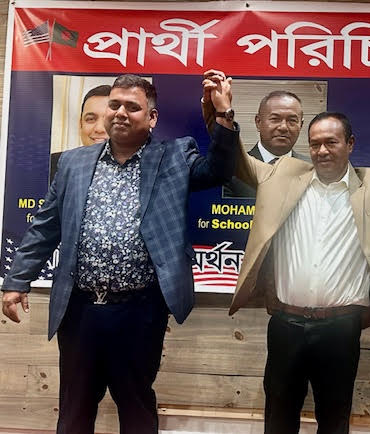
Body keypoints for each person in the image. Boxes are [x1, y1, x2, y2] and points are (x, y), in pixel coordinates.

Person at [202, 69, 370, 434]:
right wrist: (220, 112)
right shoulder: (280, 176)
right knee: (278, 418)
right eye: (315, 144)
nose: (322, 151)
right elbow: (233, 159)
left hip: (341, 328)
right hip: (286, 324)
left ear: (350, 144)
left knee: (334, 420)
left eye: (331, 142)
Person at [1, 74, 238, 433]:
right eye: (114, 104)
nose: (120, 112)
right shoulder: (74, 163)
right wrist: (17, 280)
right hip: (79, 311)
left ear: (152, 117)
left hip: (140, 311)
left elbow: (220, 170)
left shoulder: (175, 156)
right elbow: (45, 227)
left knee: (136, 407)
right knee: (75, 409)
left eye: (132, 106)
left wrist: (222, 114)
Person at [202, 89, 310, 198]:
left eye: (292, 120)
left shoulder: (312, 170)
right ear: (258, 122)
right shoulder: (233, 170)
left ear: (301, 125)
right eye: (275, 119)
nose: (283, 127)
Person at [49, 84, 111, 183]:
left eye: (109, 120)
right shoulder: (53, 165)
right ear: (80, 124)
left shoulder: (136, 170)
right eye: (91, 119)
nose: (99, 129)